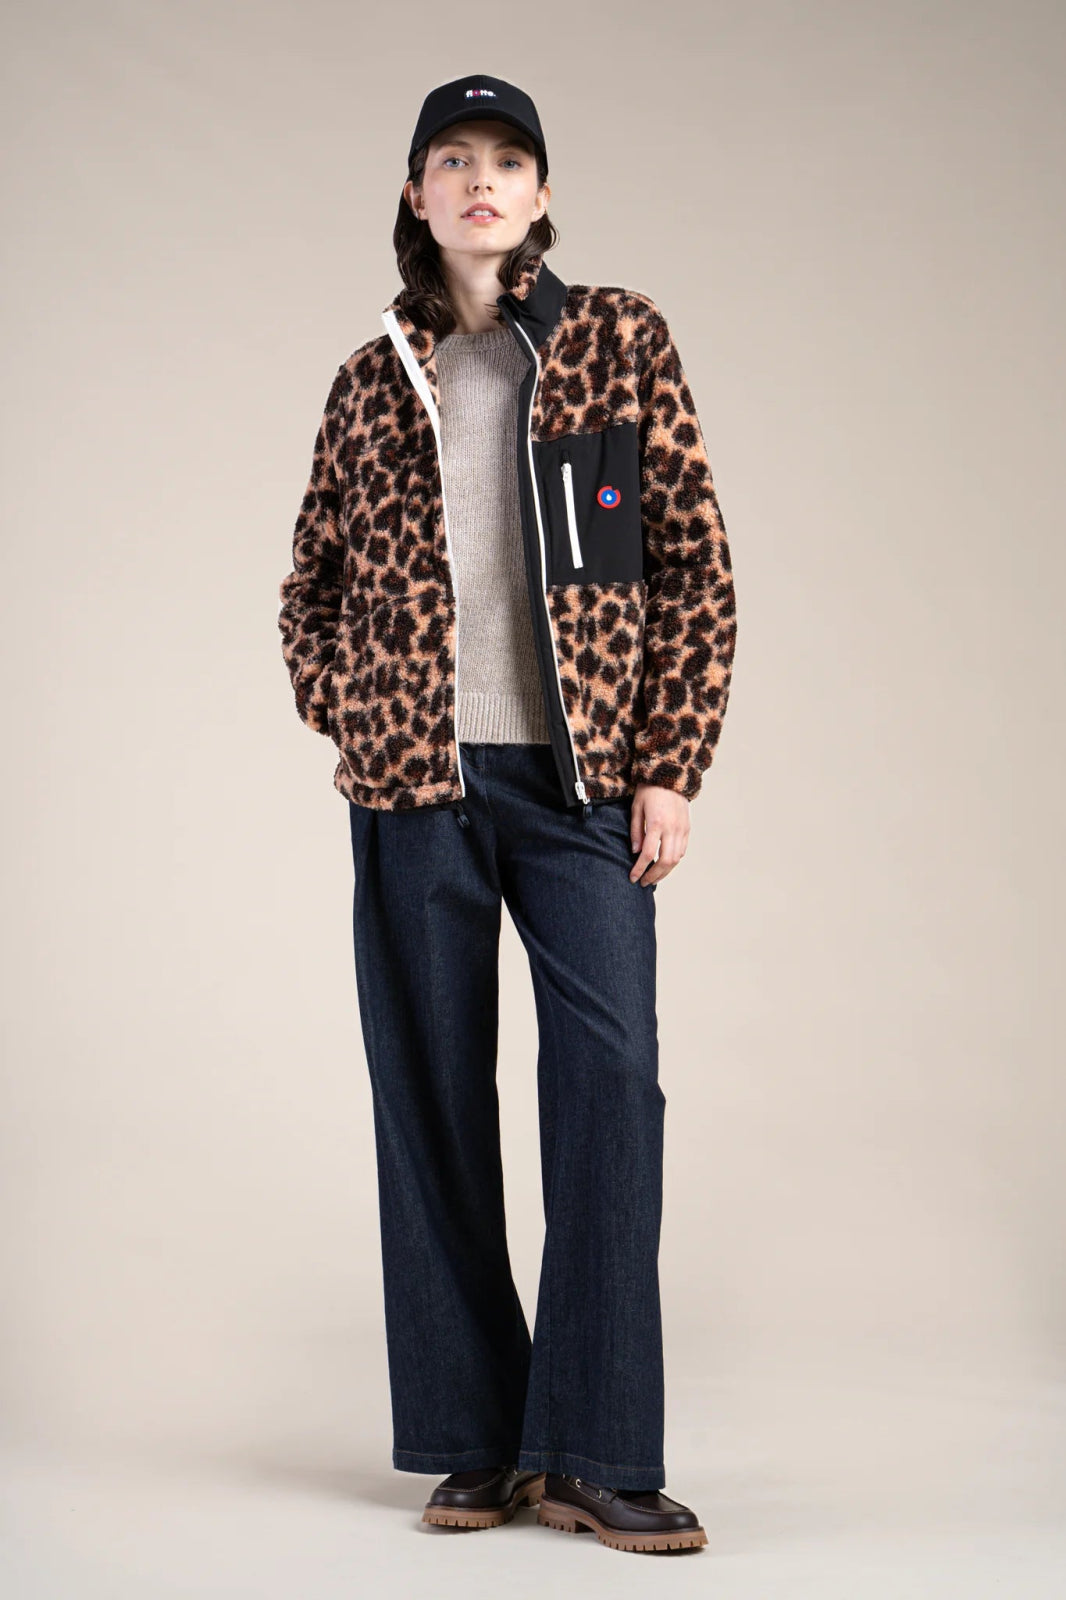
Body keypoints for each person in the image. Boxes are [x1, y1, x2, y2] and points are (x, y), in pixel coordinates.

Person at [278, 72, 737, 1555]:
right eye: (453, 159)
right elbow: (309, 583)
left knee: (610, 1086)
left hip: (577, 784)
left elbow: (693, 562)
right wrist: (352, 706)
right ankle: (476, 1443)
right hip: (414, 784)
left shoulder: (615, 342)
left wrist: (668, 761)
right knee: (428, 1098)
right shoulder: (371, 378)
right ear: (416, 195)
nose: (482, 181)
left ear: (541, 195)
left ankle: (595, 1450)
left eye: (509, 160)